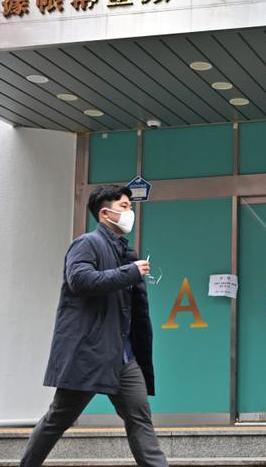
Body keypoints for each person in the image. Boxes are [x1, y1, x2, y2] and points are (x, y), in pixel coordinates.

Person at [20, 185, 168, 467]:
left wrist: (130, 269)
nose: (130, 212)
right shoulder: (87, 243)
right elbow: (80, 280)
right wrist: (130, 272)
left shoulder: (124, 251)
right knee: (59, 417)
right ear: (105, 213)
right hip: (89, 353)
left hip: (123, 357)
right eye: (124, 206)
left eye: (130, 207)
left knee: (140, 418)